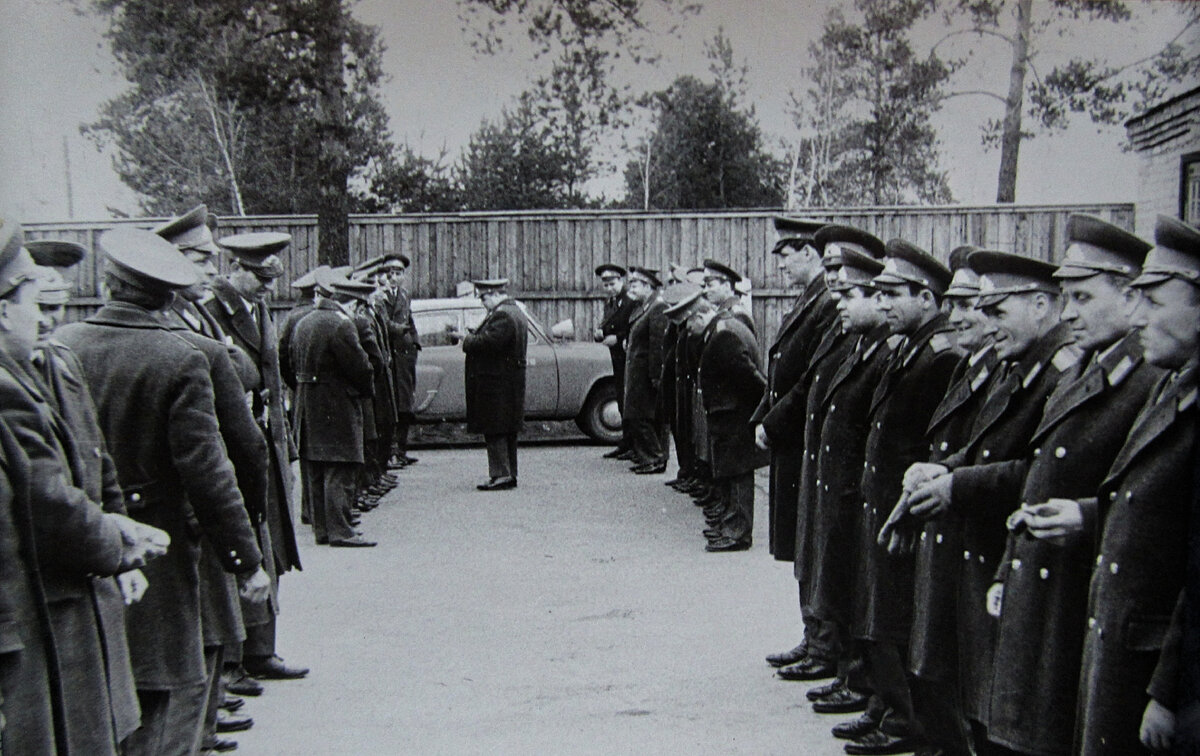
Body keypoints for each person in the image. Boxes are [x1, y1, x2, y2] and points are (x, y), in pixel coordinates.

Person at [55, 227, 267, 756]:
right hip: (166, 551)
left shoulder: (64, 344)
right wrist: (246, 561)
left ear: (106, 283)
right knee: (173, 694)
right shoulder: (179, 357)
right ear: (169, 295)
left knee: (110, 697)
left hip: (88, 544)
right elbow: (208, 473)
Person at [980, 216, 1159, 756]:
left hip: (1078, 601)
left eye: (1083, 296)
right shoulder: (1085, 369)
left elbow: (1145, 503)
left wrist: (1084, 517)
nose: (1071, 312)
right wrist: (1005, 568)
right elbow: (1038, 477)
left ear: (1130, 298)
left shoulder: (1145, 380)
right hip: (1042, 588)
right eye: (1065, 297)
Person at [900, 249, 1079, 756]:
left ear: (1042, 306)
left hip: (1014, 562)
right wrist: (947, 468)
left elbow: (1039, 471)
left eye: (996, 311)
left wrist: (956, 484)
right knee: (980, 707)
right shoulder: (1020, 362)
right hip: (987, 557)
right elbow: (987, 446)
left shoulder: (1056, 372)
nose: (983, 321)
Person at [1030, 215, 1197, 755]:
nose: (1136, 315)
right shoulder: (1172, 384)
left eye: (1153, 301)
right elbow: (1142, 511)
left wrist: (1170, 691)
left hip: (1154, 671)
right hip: (1121, 650)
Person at [838, 239, 959, 756]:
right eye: (880, 295)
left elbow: (932, 442)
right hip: (880, 501)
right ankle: (887, 707)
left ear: (928, 299)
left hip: (903, 509)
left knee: (898, 617)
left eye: (894, 295)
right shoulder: (906, 345)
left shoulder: (939, 355)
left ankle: (904, 719)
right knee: (880, 611)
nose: (883, 304)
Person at [27, 238, 146, 753]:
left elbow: (99, 461)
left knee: (103, 724)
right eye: (40, 296)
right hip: (51, 584)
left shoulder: (62, 361)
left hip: (92, 573)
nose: (50, 313)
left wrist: (126, 549)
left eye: (56, 305)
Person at [761, 224, 880, 681]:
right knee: (808, 546)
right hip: (806, 441)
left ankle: (828, 646)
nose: (833, 277)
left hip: (823, 449)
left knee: (824, 550)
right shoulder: (821, 304)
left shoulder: (844, 315)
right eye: (829, 266)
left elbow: (812, 379)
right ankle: (817, 639)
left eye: (840, 268)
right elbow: (790, 368)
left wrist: (773, 423)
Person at [892, 245, 996, 756]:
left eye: (970, 305)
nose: (956, 317)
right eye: (953, 305)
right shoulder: (966, 365)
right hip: (944, 529)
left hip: (968, 540)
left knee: (966, 682)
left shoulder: (986, 369)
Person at [204, 231, 306, 684]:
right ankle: (232, 659)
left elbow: (274, 377)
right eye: (260, 277)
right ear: (236, 269)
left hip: (266, 442)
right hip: (235, 444)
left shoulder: (258, 308)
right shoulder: (212, 311)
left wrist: (287, 447)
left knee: (272, 548)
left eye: (272, 278)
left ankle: (262, 650)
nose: (269, 286)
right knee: (241, 546)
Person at [802, 248, 896, 734]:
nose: (839, 302)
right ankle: (856, 680)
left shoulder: (882, 352)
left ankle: (864, 685)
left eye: (850, 294)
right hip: (841, 487)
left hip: (859, 494)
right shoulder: (860, 346)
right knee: (844, 585)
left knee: (862, 595)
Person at [753, 217, 834, 566]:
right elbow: (779, 368)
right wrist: (761, 417)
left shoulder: (827, 303)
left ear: (808, 252)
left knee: (806, 545)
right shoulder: (808, 299)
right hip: (789, 433)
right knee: (796, 546)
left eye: (786, 255)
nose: (781, 265)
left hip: (800, 434)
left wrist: (773, 423)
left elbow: (810, 378)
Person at [288, 267, 377, 547]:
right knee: (341, 467)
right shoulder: (341, 324)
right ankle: (342, 530)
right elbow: (360, 367)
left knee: (316, 468)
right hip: (337, 404)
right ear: (350, 301)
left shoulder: (304, 321)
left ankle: (323, 529)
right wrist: (365, 389)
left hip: (307, 403)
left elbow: (287, 360)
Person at [682, 284, 768, 552]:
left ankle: (738, 533)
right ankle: (731, 525)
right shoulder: (717, 332)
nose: (687, 331)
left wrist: (756, 410)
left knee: (739, 474)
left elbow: (752, 377)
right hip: (731, 416)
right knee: (731, 474)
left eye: (688, 324)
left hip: (736, 418)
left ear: (699, 316)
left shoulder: (723, 335)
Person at [448, 278, 528, 490]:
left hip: (497, 382)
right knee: (506, 429)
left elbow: (490, 344)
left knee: (496, 428)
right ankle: (509, 473)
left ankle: (501, 475)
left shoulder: (503, 315)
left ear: (494, 294)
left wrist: (466, 340)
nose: (483, 302)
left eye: (484, 297)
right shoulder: (514, 311)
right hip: (506, 381)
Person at [620, 267, 669, 474]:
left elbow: (658, 344)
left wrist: (655, 376)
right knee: (638, 416)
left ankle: (655, 458)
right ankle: (648, 457)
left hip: (645, 375)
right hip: (637, 373)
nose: (631, 287)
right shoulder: (645, 307)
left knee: (642, 417)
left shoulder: (657, 308)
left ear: (648, 286)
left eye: (635, 284)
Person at [594, 263, 638, 460]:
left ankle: (633, 444)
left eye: (612, 283)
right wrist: (600, 332)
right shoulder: (611, 302)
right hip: (616, 356)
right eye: (606, 285)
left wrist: (618, 338)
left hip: (626, 354)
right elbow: (609, 323)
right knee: (621, 398)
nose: (609, 288)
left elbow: (633, 327)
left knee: (628, 398)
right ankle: (626, 442)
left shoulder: (629, 301)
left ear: (621, 280)